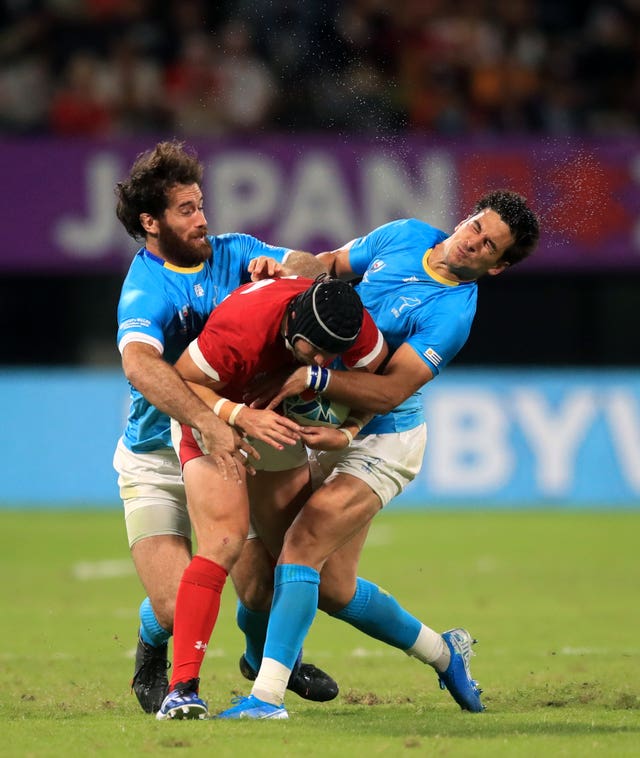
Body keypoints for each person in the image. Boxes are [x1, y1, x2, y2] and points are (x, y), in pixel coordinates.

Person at [215, 189, 540, 719]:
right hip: (319, 421)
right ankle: (442, 652)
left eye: (488, 247)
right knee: (289, 582)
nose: (472, 242)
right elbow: (327, 267)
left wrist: (315, 376)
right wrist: (284, 265)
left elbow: (391, 392)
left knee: (302, 548)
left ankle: (266, 698)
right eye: (476, 227)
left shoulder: (452, 314)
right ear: (466, 218)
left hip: (383, 439)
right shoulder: (407, 234)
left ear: (497, 267)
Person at [113, 139, 337, 715]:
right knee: (171, 606)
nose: (202, 218)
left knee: (260, 583)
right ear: (150, 221)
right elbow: (139, 364)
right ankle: (151, 645)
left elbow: (317, 270)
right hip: (158, 452)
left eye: (201, 204)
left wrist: (284, 269)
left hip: (225, 439)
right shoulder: (146, 287)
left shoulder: (236, 251)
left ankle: (265, 664)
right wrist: (205, 421)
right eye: (186, 210)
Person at [156, 274, 387, 719]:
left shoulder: (357, 331)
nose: (322, 362)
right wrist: (237, 415)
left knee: (284, 568)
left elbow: (376, 387)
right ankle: (180, 689)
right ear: (290, 325)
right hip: (212, 412)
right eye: (312, 351)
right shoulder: (240, 328)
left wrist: (348, 428)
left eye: (330, 355)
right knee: (223, 541)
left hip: (274, 420)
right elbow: (182, 383)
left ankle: (270, 664)